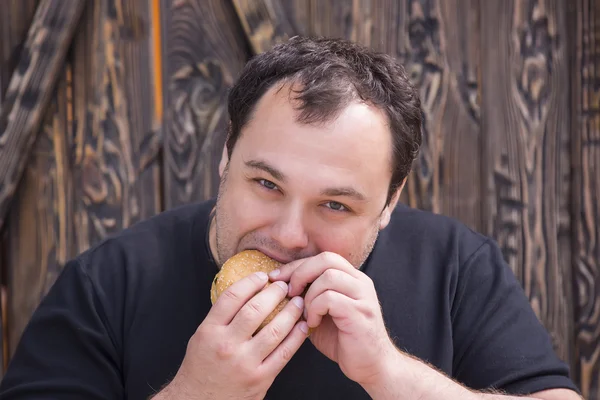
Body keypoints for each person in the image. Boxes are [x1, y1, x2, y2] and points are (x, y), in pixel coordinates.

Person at [0, 36, 581, 400]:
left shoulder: (455, 266)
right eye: (266, 183)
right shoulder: (108, 283)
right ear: (227, 151)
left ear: (390, 201)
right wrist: (198, 395)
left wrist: (390, 374)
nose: (286, 234)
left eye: (335, 204)